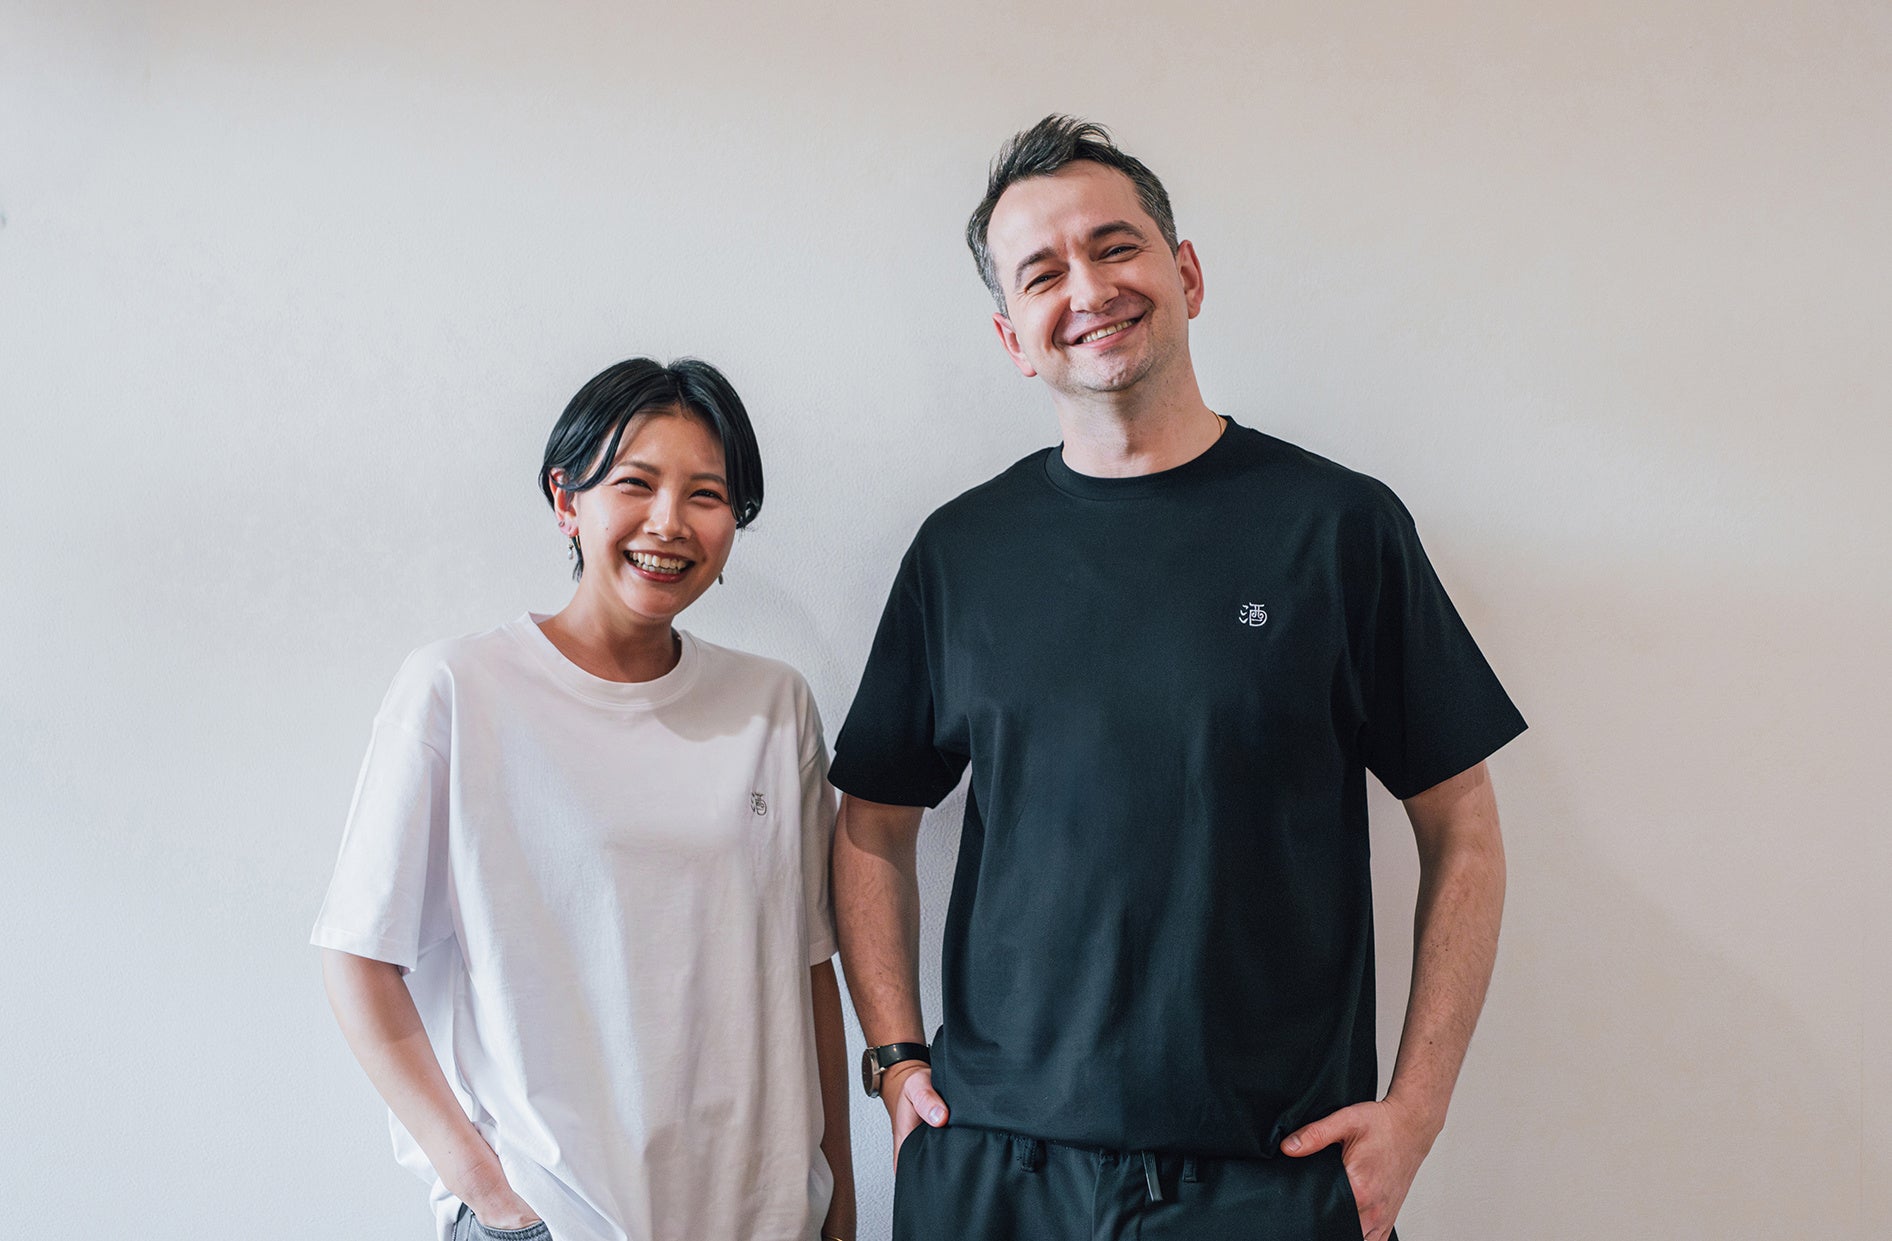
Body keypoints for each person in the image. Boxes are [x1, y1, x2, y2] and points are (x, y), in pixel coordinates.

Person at [829, 117, 1526, 1241]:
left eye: (1116, 247)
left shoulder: (1338, 528)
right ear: (1013, 337)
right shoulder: (961, 552)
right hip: (998, 1168)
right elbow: (871, 819)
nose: (1089, 289)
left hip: (1271, 1173)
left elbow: (1464, 829)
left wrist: (1418, 1112)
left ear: (1185, 273)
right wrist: (895, 1059)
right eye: (1043, 273)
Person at [313, 358, 855, 1241]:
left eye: (707, 494)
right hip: (558, 1219)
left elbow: (807, 967)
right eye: (635, 483)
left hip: (764, 1219)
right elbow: (358, 956)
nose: (669, 522)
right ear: (566, 499)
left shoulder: (773, 705)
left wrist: (839, 1199)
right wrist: (489, 1195)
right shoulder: (458, 689)